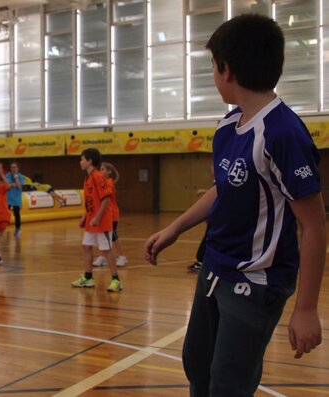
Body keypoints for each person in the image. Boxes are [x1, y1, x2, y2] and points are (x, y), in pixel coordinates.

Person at [143, 14, 325, 396]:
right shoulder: (229, 127)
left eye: (212, 66)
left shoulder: (283, 134)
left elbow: (314, 224)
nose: (212, 74)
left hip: (256, 281)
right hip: (215, 268)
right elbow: (222, 189)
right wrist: (175, 228)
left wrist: (307, 308)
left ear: (227, 70)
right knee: (198, 367)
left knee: (229, 384)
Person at [71, 148, 121, 292]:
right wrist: (85, 217)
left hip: (102, 221)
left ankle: (116, 280)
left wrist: (97, 217)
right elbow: (90, 202)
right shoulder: (87, 177)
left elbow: (106, 199)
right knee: (86, 246)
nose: (80, 162)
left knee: (106, 250)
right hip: (91, 221)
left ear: (90, 161)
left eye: (82, 159)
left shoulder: (98, 176)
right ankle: (88, 277)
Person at [92, 162, 127, 267]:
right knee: (103, 236)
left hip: (112, 213)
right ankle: (103, 257)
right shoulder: (103, 182)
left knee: (113, 236)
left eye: (103, 169)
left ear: (109, 172)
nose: (100, 171)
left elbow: (105, 196)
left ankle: (122, 257)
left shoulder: (109, 182)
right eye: (100, 169)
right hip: (105, 213)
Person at [5, 161, 24, 238]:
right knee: (5, 214)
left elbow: (19, 186)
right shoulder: (8, 175)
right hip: (8, 199)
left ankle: (17, 229)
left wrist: (16, 178)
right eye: (11, 167)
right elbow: (6, 185)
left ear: (17, 168)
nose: (13, 169)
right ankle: (2, 228)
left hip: (16, 199)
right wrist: (13, 184)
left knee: (17, 215)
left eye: (14, 167)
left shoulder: (20, 176)